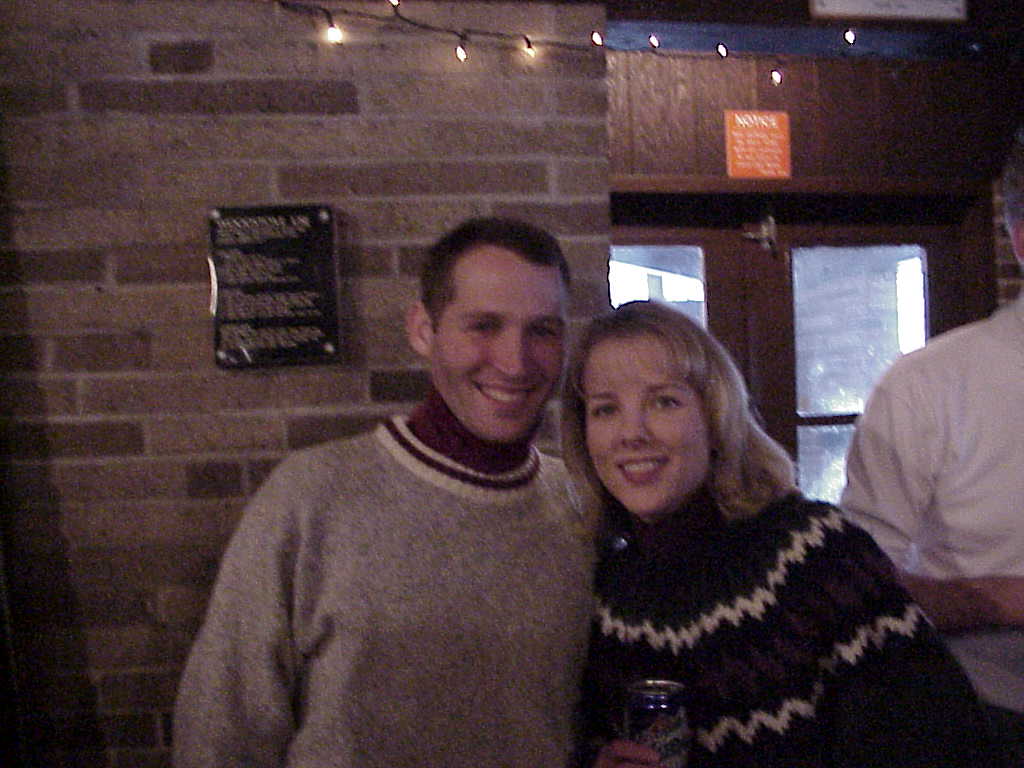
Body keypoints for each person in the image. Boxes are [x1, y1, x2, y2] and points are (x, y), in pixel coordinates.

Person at [172, 218, 594, 768]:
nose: (515, 362)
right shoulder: (309, 497)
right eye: (483, 325)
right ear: (423, 330)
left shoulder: (580, 507)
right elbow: (222, 731)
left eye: (543, 330)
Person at [561, 300, 999, 768]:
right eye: (605, 409)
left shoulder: (815, 556)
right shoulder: (605, 590)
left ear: (715, 418)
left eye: (663, 401)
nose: (631, 433)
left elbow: (940, 742)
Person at [841, 133, 1024, 763]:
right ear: (1022, 239)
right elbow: (858, 585)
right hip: (986, 724)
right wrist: (1008, 599)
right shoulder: (928, 387)